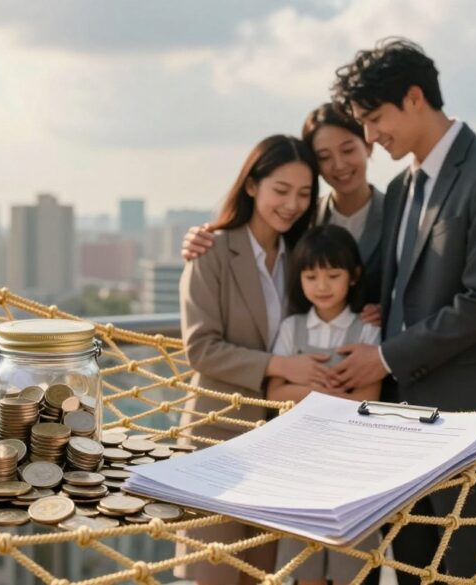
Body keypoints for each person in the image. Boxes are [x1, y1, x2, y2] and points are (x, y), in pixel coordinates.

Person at [328, 38, 476, 583]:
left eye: (375, 119)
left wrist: (385, 359)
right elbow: (384, 289)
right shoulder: (400, 187)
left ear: (415, 97)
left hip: (469, 418)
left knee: (469, 572)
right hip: (399, 419)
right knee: (414, 569)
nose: (370, 137)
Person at [178, 134, 321, 585]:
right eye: (282, 190)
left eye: (304, 193)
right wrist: (280, 366)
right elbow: (200, 347)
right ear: (253, 186)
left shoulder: (302, 257)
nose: (292, 204)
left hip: (281, 443)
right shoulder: (213, 249)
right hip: (218, 440)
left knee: (262, 577)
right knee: (213, 576)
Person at [267, 224, 382, 585]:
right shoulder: (291, 327)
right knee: (305, 568)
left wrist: (303, 389)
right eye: (311, 275)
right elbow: (273, 396)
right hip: (299, 465)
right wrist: (331, 395)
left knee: (353, 568)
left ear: (353, 277)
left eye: (333, 275)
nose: (321, 285)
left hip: (354, 467)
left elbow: (367, 401)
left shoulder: (367, 331)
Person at [183, 102, 385, 306]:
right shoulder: (301, 221)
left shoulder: (398, 213)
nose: (339, 165)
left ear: (368, 145)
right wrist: (201, 239)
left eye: (348, 150)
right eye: (324, 157)